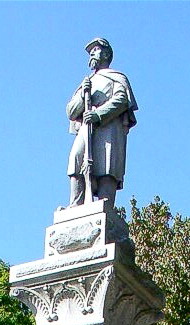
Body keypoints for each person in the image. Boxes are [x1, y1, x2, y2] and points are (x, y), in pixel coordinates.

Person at [66, 38, 137, 207]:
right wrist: (84, 96)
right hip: (86, 128)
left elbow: (121, 100)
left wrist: (98, 114)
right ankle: (76, 203)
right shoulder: (86, 83)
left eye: (95, 49)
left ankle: (105, 206)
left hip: (109, 129)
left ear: (106, 54)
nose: (91, 53)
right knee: (77, 158)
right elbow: (70, 111)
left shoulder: (117, 78)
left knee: (107, 165)